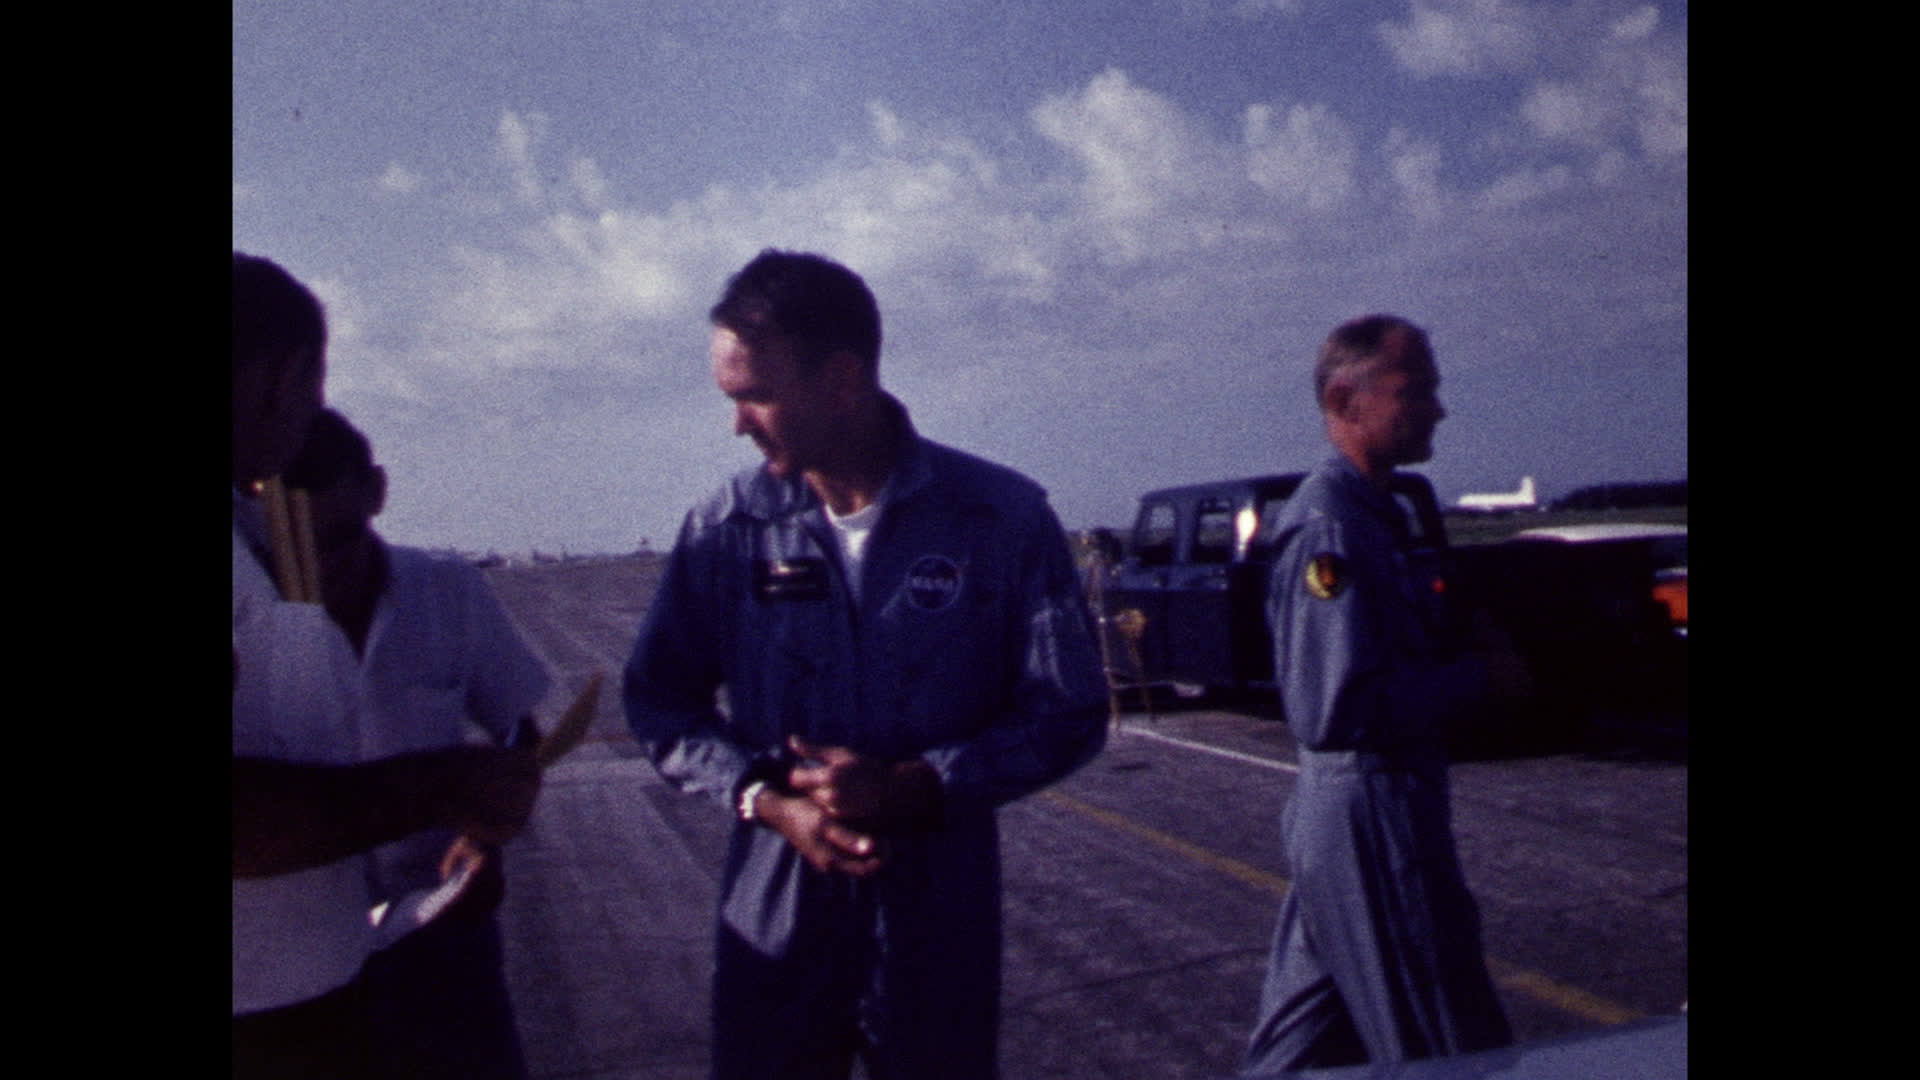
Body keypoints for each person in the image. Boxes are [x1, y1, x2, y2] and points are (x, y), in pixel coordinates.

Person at [623, 249, 1108, 1079]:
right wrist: (766, 800)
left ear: (843, 379)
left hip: (935, 920)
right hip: (774, 915)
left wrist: (920, 786)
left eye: (756, 396)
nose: (737, 424)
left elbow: (1067, 710)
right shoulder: (725, 529)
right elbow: (660, 700)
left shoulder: (1000, 518)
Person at [232, 251, 542, 1079]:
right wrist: (440, 787)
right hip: (267, 1026)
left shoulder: (248, 537)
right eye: (312, 390)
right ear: (288, 374)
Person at [1240, 315, 1527, 1074]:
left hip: (1363, 812)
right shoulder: (1332, 525)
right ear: (1346, 398)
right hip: (1371, 811)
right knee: (1447, 1041)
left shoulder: (1377, 514)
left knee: (1301, 1047)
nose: (1438, 408)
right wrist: (1479, 681)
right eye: (1417, 390)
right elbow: (1334, 710)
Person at [281, 407, 550, 1079]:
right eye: (301, 553)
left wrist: (487, 832)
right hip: (295, 950)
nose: (325, 572)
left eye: (341, 540)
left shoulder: (448, 590)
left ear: (377, 492)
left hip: (438, 927)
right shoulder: (252, 617)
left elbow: (518, 725)